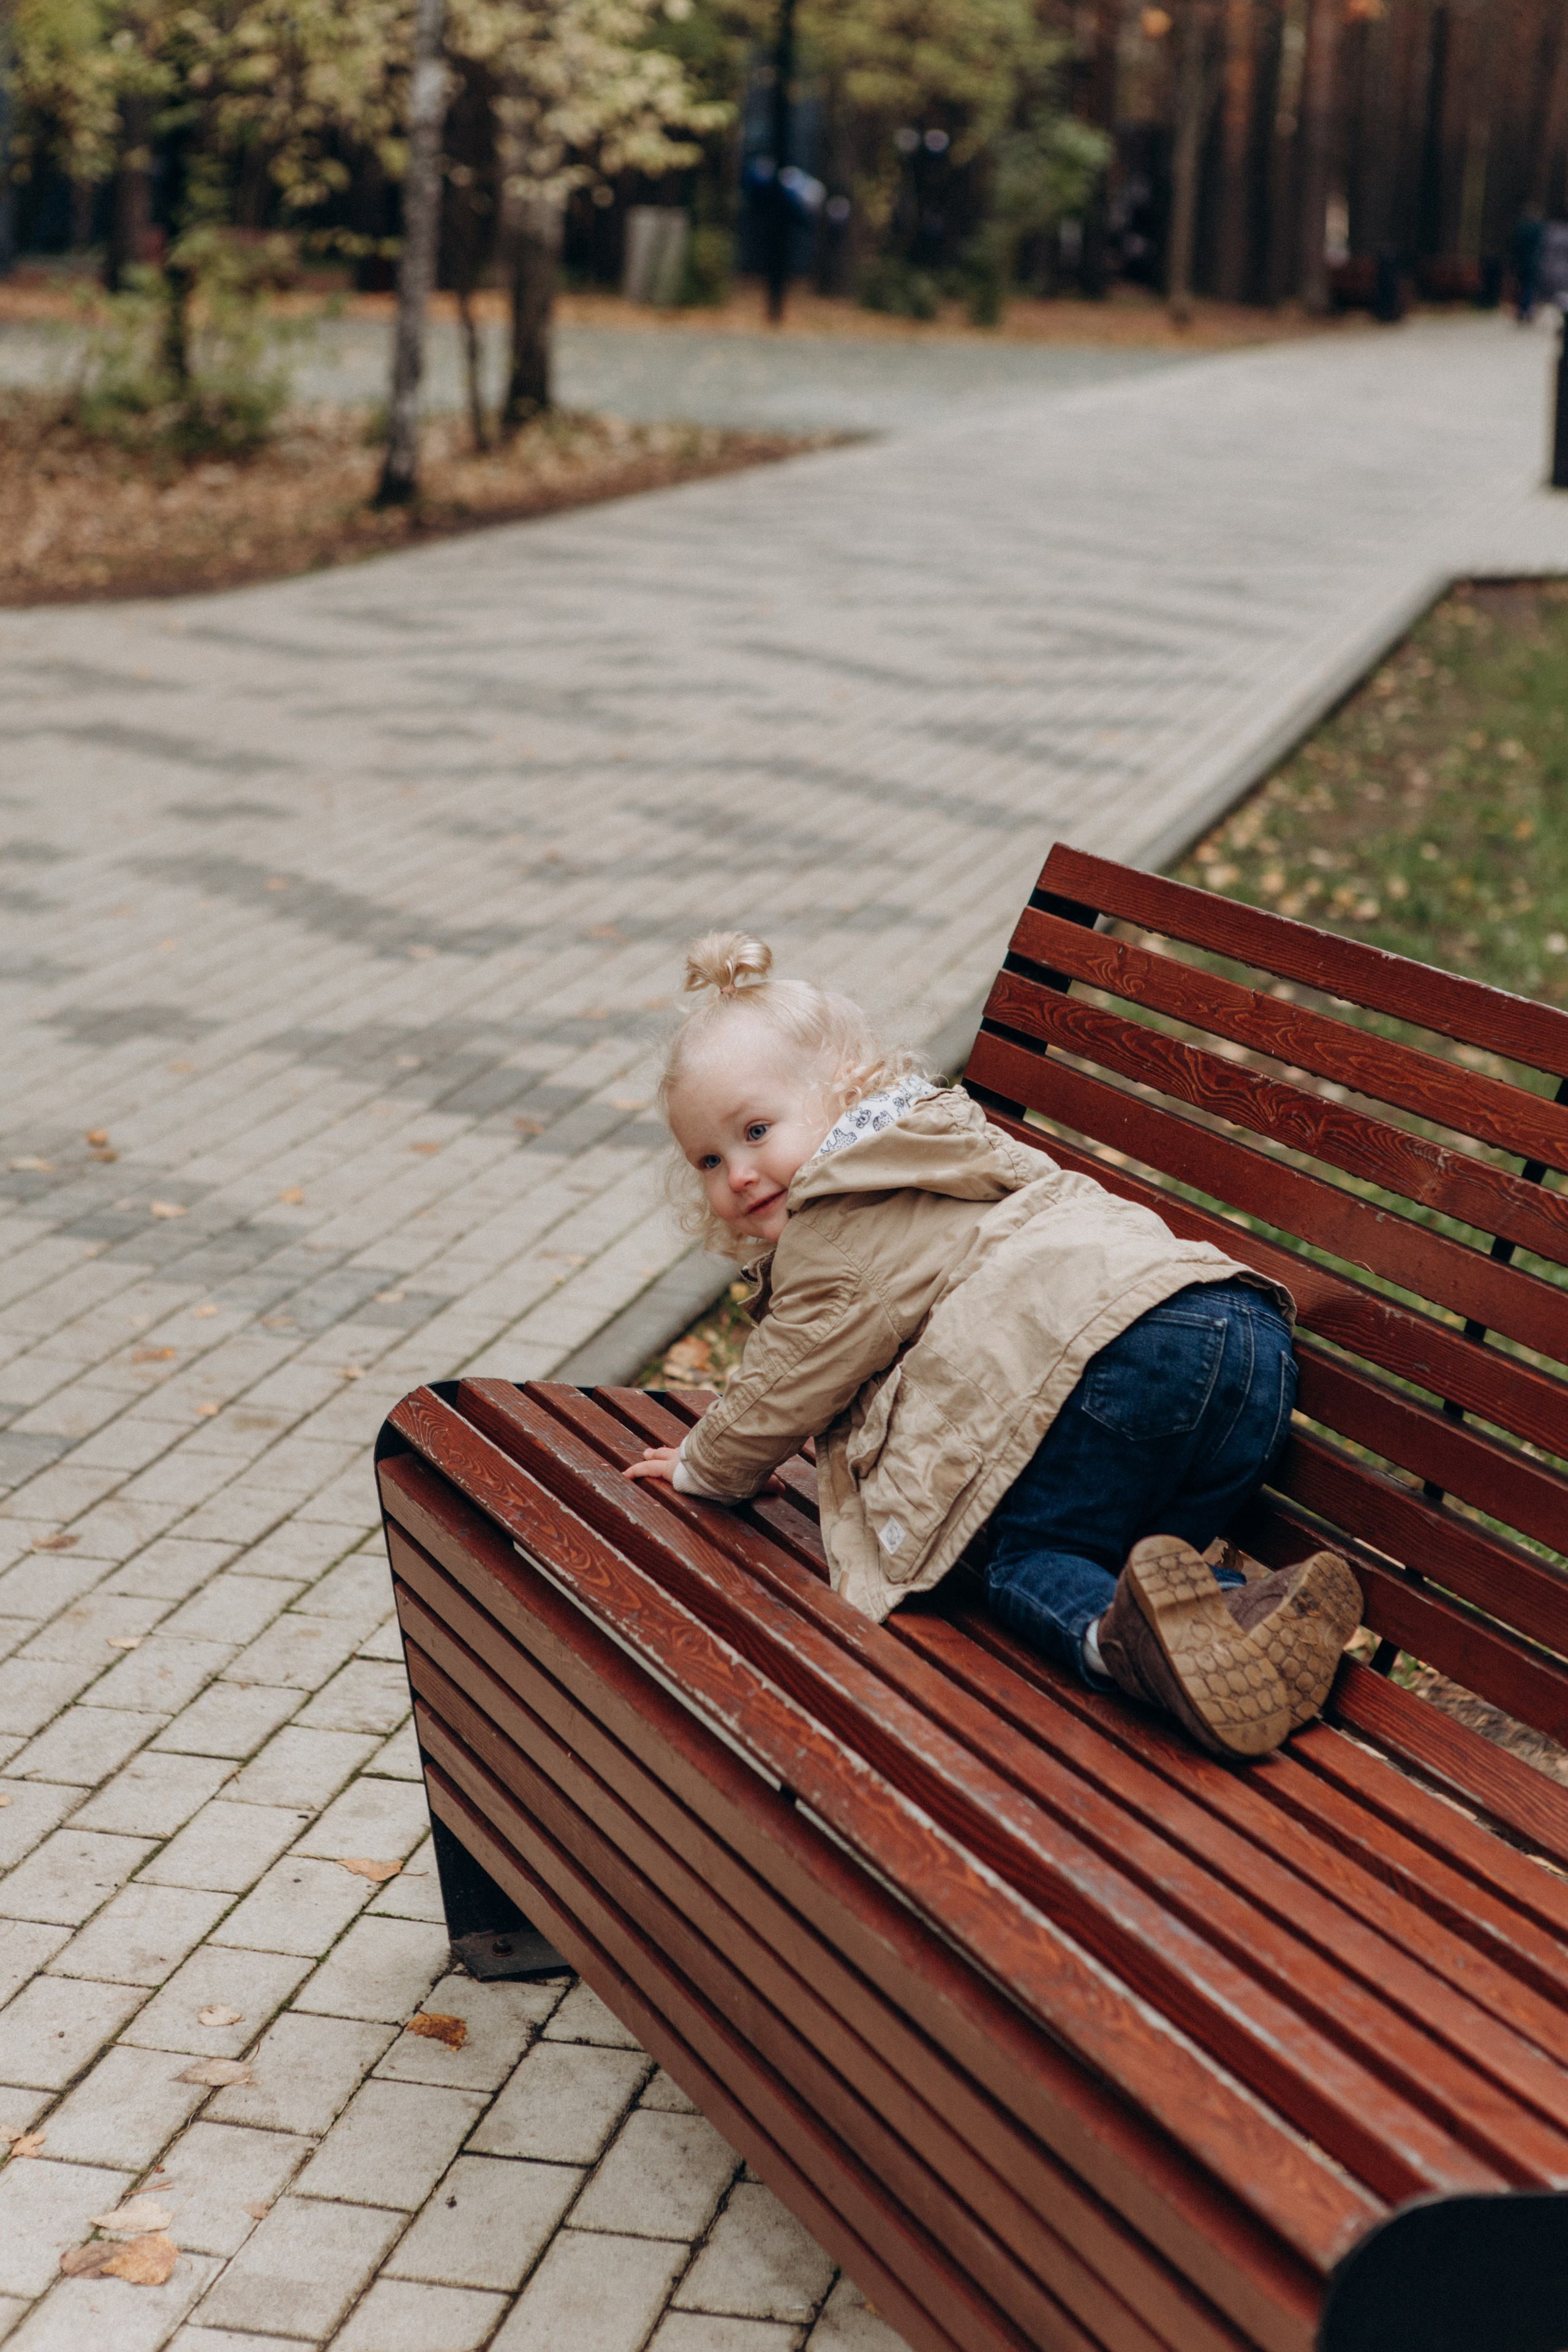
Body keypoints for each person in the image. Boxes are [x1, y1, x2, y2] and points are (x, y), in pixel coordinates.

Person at [624, 932, 1362, 1760]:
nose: (741, 1175)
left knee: (1032, 1561)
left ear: (842, 1093)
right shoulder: (948, 1140)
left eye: (758, 1130)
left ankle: (1119, 1649)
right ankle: (1245, 1619)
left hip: (1110, 1358)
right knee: (1119, 1565)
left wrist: (704, 1467)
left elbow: (790, 1373)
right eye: (710, 1160)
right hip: (1241, 1339)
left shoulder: (838, 1220)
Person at [1515, 203, 1545, 323]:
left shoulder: (1522, 228)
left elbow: (1516, 245)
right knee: (1531, 286)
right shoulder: (1539, 229)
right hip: (1535, 261)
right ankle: (1527, 310)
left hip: (1522, 261)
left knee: (1523, 286)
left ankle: (1522, 309)